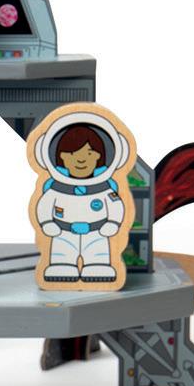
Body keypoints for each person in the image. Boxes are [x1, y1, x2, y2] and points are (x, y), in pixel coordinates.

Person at [32, 118, 130, 282]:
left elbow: (116, 206)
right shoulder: (56, 189)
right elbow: (44, 206)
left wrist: (112, 223)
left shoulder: (104, 188)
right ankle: (61, 266)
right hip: (63, 233)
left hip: (96, 233)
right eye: (72, 154)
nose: (81, 159)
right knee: (61, 256)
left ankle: (98, 266)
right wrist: (47, 222)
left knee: (98, 256)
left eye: (89, 153)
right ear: (62, 157)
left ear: (98, 157)